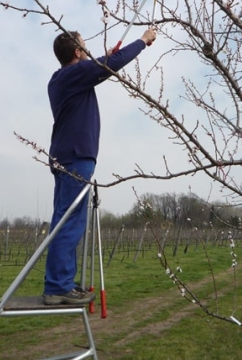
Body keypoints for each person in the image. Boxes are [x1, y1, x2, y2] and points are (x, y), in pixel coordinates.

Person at [43, 28, 157, 305]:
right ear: (78, 53)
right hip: (75, 158)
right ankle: (58, 286)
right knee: (70, 221)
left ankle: (61, 282)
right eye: (86, 47)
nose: (89, 51)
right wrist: (142, 41)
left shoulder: (62, 78)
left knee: (64, 220)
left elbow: (100, 66)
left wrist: (103, 59)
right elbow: (109, 66)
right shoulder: (74, 75)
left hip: (65, 156)